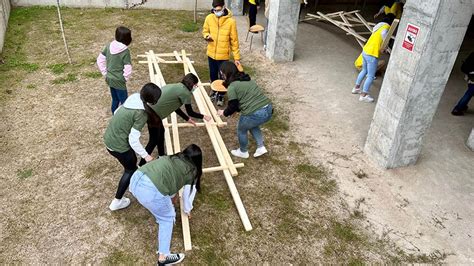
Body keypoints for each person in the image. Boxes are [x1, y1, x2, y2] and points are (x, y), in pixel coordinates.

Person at [129, 144, 203, 266]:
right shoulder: (191, 172)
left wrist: (171, 201)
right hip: (149, 191)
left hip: (136, 179)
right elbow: (187, 195)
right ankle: (163, 258)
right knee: (167, 219)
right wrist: (187, 209)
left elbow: (171, 184)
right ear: (198, 160)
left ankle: (160, 213)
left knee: (162, 205)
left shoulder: (172, 158)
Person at [104, 83, 162, 211]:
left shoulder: (134, 97)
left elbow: (118, 111)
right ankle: (117, 202)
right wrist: (146, 156)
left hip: (109, 139)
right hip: (119, 146)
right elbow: (133, 140)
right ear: (153, 101)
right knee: (130, 169)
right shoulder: (141, 114)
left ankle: (134, 183)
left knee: (131, 167)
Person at [140, 73, 211, 166]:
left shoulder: (177, 86)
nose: (196, 87)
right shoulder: (186, 93)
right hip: (153, 116)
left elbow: (175, 106)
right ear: (192, 84)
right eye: (195, 85)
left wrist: (187, 119)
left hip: (152, 112)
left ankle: (161, 155)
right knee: (153, 141)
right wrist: (203, 116)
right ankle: (140, 164)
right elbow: (190, 112)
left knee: (161, 132)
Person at [217, 62, 273, 158]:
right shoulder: (247, 80)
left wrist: (224, 112)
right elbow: (243, 101)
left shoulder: (232, 87)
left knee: (241, 129)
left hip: (256, 113)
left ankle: (243, 152)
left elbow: (233, 105)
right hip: (268, 109)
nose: (222, 76)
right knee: (252, 125)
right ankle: (261, 147)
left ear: (226, 74)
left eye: (222, 73)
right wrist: (235, 110)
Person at [202, 0, 242, 107]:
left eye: (218, 10)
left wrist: (237, 58)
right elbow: (205, 30)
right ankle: (214, 90)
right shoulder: (209, 18)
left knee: (223, 77)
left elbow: (234, 41)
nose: (216, 12)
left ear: (224, 7)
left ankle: (221, 95)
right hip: (211, 54)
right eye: (215, 10)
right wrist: (206, 36)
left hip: (223, 56)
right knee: (212, 74)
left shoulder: (231, 22)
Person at [351, 14, 395, 103]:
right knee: (371, 76)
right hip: (372, 54)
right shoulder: (386, 26)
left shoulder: (378, 26)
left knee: (364, 71)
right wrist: (385, 45)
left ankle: (356, 88)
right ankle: (364, 95)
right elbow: (383, 34)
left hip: (365, 51)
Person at [97, 26, 133, 114]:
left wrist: (105, 73)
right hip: (119, 80)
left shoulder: (108, 46)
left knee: (115, 99)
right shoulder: (125, 51)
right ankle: (123, 119)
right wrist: (125, 78)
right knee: (125, 102)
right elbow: (128, 66)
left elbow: (100, 60)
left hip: (109, 78)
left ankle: (114, 116)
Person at [452, 52, 474, 116]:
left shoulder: (472, 54)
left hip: (470, 77)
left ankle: (462, 105)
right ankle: (458, 108)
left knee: (470, 92)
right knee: (469, 93)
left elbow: (465, 66)